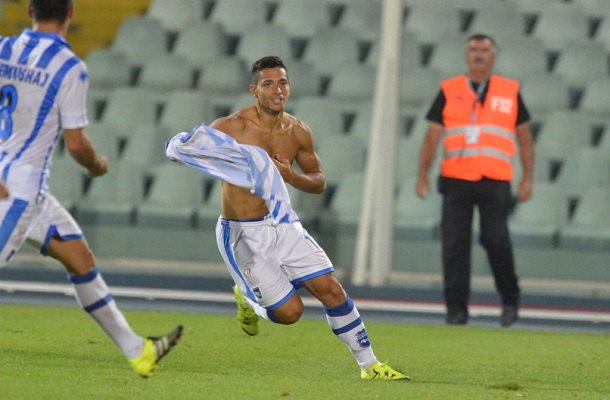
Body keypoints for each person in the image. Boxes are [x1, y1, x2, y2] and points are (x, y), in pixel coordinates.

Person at [166, 55, 409, 380]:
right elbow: (187, 149)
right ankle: (249, 301)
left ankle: (371, 367)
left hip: (282, 225)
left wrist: (291, 176)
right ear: (254, 90)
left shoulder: (298, 131)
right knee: (291, 312)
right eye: (268, 84)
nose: (277, 90)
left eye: (282, 83)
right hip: (242, 233)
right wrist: (179, 147)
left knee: (331, 290)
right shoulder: (231, 127)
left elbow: (319, 181)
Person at [0, 0, 182, 377]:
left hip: (29, 192)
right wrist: (96, 165)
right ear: (71, 13)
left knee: (80, 258)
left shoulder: (4, 48)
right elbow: (76, 144)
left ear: (30, 11)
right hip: (17, 191)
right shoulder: (70, 67)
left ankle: (139, 351)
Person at [415, 33, 534, 327]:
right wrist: (422, 173)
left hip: (495, 179)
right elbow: (432, 134)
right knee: (455, 245)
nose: (478, 54)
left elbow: (524, 136)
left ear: (494, 55)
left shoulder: (509, 90)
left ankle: (510, 300)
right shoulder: (450, 89)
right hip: (456, 179)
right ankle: (456, 310)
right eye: (473, 49)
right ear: (466, 55)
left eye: (484, 49)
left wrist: (527, 178)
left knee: (496, 241)